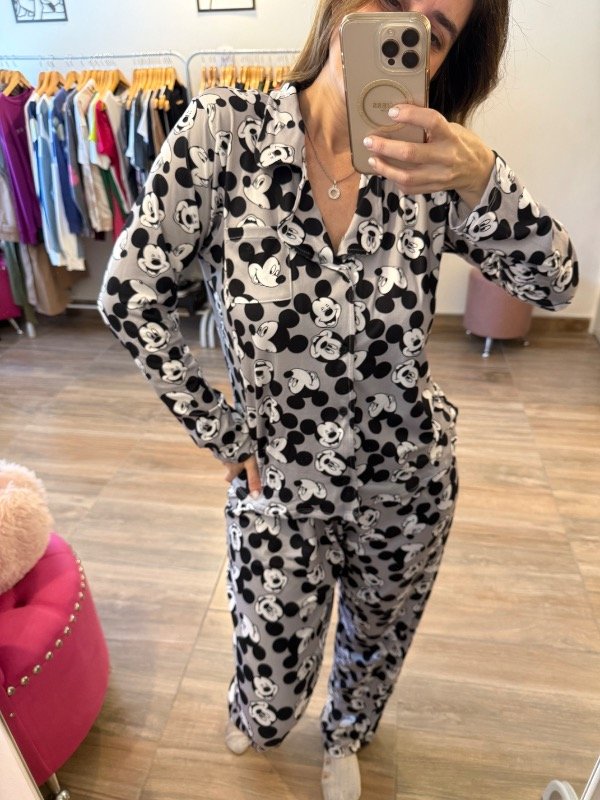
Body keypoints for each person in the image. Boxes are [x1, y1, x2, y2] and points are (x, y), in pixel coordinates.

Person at [98, 1, 578, 797]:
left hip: (406, 483)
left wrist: (481, 174)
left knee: (375, 645)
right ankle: (261, 713)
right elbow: (128, 294)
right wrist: (222, 432)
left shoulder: (434, 170)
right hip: (278, 487)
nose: (398, 29)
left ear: (441, 62)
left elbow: (554, 282)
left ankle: (347, 733)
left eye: (431, 32)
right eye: (387, 2)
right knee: (270, 670)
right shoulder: (224, 134)